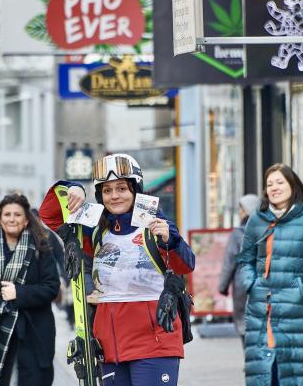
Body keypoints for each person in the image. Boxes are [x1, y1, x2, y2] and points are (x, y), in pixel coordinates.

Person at [39, 153, 195, 386]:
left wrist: (170, 241)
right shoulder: (95, 227)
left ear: (135, 190)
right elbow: (49, 214)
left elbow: (186, 264)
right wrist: (74, 188)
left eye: (122, 188)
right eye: (107, 190)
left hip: (153, 343)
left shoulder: (154, 223)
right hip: (110, 345)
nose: (115, 196)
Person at [237, 163, 303, 386]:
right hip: (261, 310)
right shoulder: (257, 219)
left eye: (280, 182)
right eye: (269, 183)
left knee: (293, 374)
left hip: (297, 311)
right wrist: (252, 284)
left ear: (292, 185)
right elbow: (245, 259)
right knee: (261, 373)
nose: (274, 187)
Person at [0, 194, 60, 386]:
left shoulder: (40, 246)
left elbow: (52, 287)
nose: (12, 219)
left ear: (26, 219)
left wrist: (19, 293)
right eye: (7, 214)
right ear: (0, 218)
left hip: (33, 334)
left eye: (17, 214)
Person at [218, 194, 260, 343]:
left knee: (243, 322)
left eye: (242, 210)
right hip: (262, 281)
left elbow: (230, 260)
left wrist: (223, 285)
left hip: (241, 283)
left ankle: (249, 359)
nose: (241, 213)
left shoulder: (238, 233)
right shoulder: (266, 227)